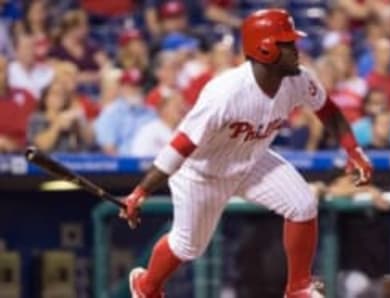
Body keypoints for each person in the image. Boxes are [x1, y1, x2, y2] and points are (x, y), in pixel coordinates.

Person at [120, 9, 373, 298]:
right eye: (287, 44)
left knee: (303, 205)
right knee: (188, 247)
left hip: (251, 158)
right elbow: (181, 145)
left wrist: (353, 150)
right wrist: (141, 191)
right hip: (204, 171)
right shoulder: (226, 93)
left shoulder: (298, 79)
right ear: (265, 48)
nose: (296, 50)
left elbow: (329, 112)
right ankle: (147, 284)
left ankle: (298, 287)